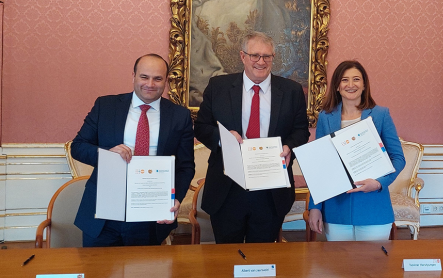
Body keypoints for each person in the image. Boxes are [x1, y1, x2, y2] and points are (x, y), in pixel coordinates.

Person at [194, 31, 310, 243]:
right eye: (255, 55)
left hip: (270, 190)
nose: (261, 61)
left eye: (267, 56)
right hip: (227, 188)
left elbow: (301, 130)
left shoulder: (291, 91)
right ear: (242, 56)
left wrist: (289, 147)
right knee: (226, 260)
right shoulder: (218, 87)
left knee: (263, 259)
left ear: (273, 57)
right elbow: (201, 126)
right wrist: (223, 137)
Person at [71, 54, 195, 247]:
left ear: (166, 80)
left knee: (143, 275)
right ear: (134, 76)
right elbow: (78, 147)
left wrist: (176, 198)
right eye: (144, 77)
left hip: (149, 215)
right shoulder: (106, 106)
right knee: (97, 274)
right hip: (104, 214)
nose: (150, 84)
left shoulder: (180, 116)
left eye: (158, 78)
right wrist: (106, 154)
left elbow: (185, 166)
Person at [308, 60, 406, 241]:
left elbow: (398, 158)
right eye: (345, 80)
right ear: (337, 86)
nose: (350, 85)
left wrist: (378, 183)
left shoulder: (380, 114)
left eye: (356, 79)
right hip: (336, 207)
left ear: (364, 85)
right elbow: (319, 167)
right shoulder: (325, 117)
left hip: (373, 205)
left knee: (372, 266)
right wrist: (315, 207)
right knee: (340, 267)